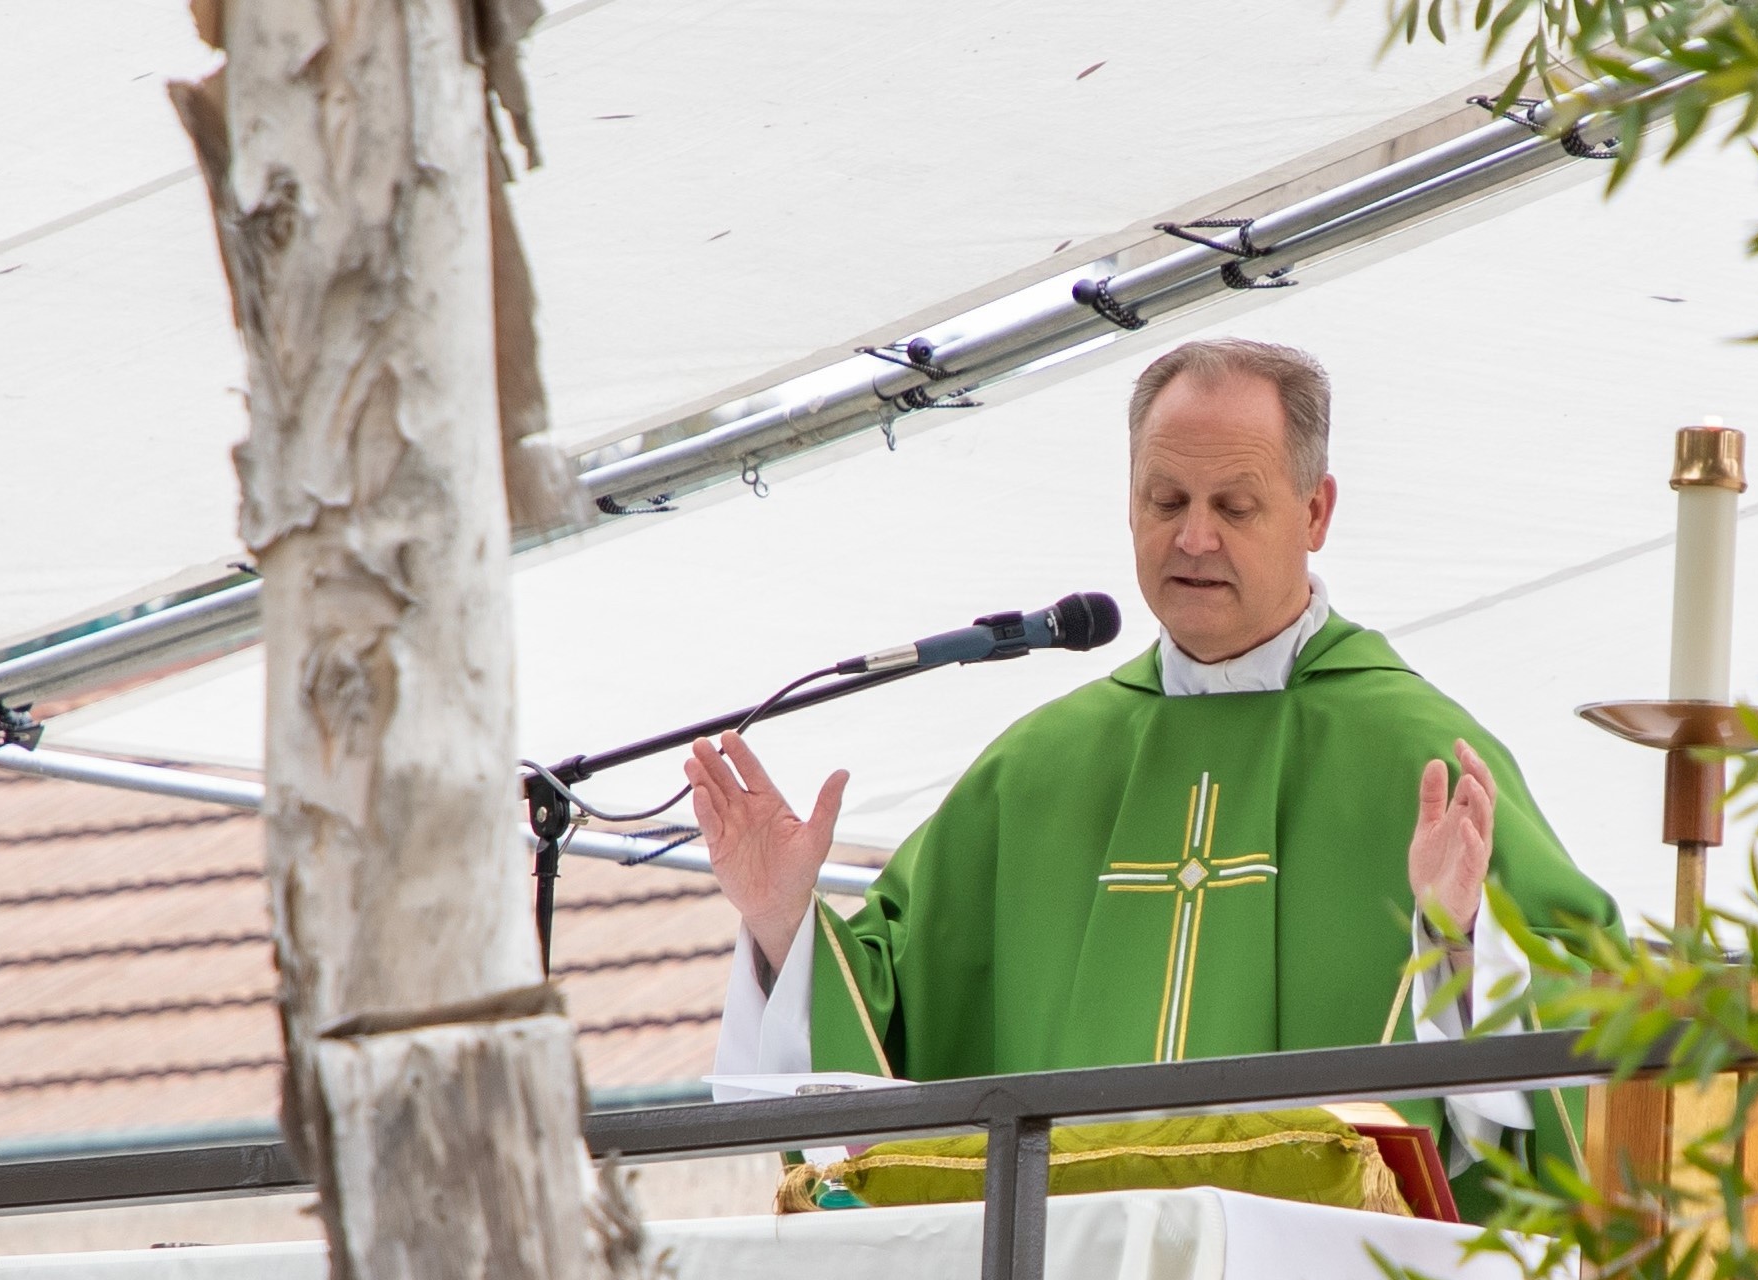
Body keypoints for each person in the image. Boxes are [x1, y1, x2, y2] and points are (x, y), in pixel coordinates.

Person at [687, 338, 1616, 1125]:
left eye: (1234, 506)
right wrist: (780, 921)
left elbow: (1594, 1039)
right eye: (1166, 502)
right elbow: (887, 1025)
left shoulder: (1420, 758)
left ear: (1317, 511)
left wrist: (1460, 938)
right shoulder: (1037, 772)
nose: (1194, 539)